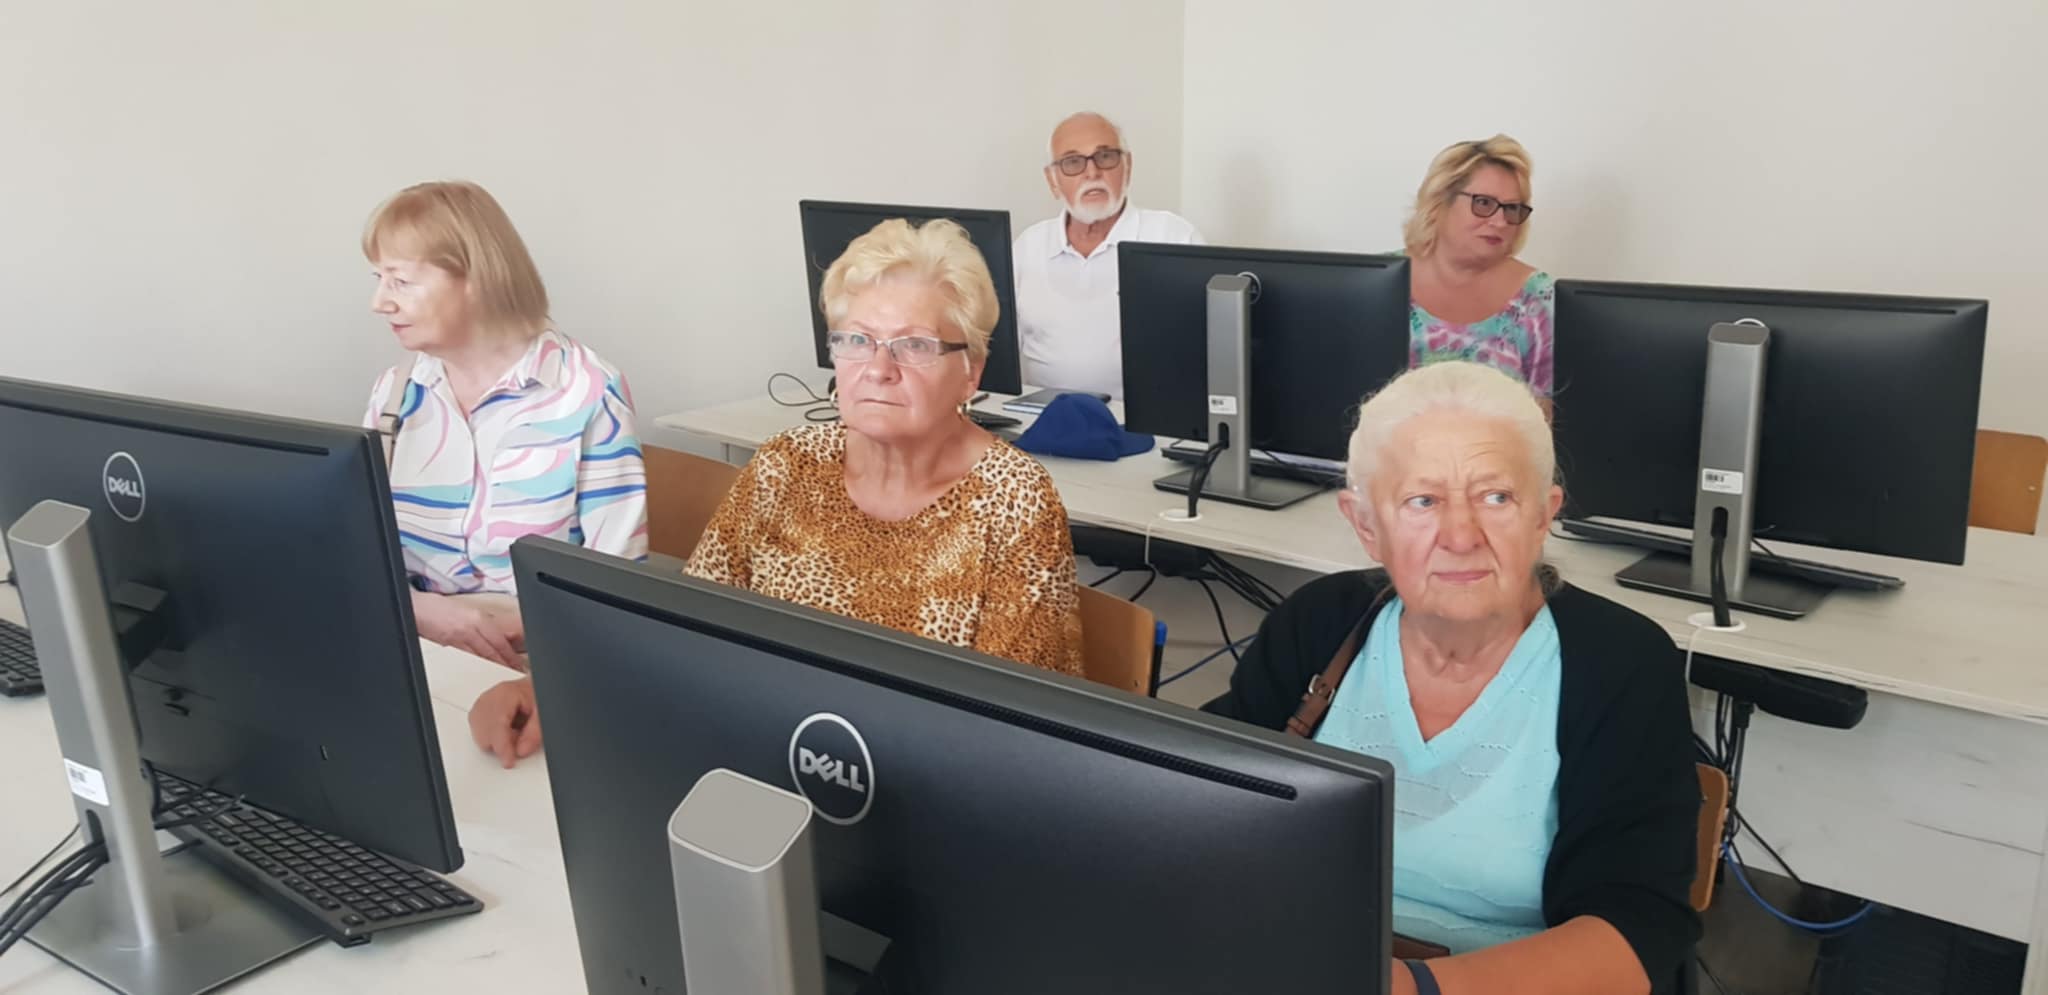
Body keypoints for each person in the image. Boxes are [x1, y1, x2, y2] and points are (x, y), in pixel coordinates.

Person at [471, 218, 1083, 767]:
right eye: (856, 340)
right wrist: (550, 687)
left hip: (923, 793)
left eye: (915, 345)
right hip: (763, 761)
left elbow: (1019, 734)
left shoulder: (1014, 502)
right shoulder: (786, 467)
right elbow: (686, 630)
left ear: (971, 371)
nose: (878, 369)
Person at [1206, 362, 1698, 994]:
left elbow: (1636, 930)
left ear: (1543, 516)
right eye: (1423, 501)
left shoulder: (1620, 663)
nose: (1461, 536)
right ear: (1366, 526)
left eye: (1497, 498)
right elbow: (1208, 798)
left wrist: (1413, 989)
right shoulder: (1319, 623)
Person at [361, 180, 647, 672]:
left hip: (548, 656)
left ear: (475, 278)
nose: (379, 301)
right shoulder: (395, 394)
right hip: (412, 641)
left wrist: (512, 636)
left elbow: (617, 587)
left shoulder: (589, 390)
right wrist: (422, 612)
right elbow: (361, 552)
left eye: (400, 281)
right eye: (378, 278)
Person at [1013, 111, 1203, 400]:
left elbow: (1208, 352)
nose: (1092, 173)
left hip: (1144, 422)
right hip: (1043, 419)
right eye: (1072, 162)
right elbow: (994, 351)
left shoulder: (1174, 238)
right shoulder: (1028, 246)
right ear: (1052, 180)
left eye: (1105, 157)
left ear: (1128, 166)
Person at [1403, 136, 1555, 400]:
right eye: (1484, 203)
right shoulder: (1379, 282)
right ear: (1440, 201)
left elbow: (1552, 412)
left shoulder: (1538, 298)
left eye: (1512, 209)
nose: (1500, 222)